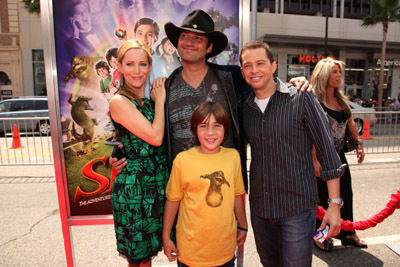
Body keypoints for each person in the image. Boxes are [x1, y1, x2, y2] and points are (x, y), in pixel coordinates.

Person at [110, 9, 310, 190]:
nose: (189, 42)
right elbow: (150, 132)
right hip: (183, 190)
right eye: (184, 36)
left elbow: (263, 83)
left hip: (225, 185)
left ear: (209, 47)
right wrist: (120, 154)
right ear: (177, 44)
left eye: (198, 39)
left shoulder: (232, 78)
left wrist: (293, 83)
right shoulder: (164, 88)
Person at [240, 40, 345, 266]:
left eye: (260, 63)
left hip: (296, 209)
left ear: (274, 66)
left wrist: (334, 205)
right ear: (242, 71)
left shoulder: (301, 97)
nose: (254, 70)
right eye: (248, 65)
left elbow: (328, 153)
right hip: (261, 210)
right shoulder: (244, 107)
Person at [162, 101, 247, 266]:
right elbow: (173, 200)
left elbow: (237, 194)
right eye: (203, 126)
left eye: (217, 125)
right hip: (190, 251)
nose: (210, 133)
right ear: (194, 129)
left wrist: (243, 226)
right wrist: (166, 237)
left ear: (225, 129)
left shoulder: (233, 157)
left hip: (225, 249)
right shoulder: (182, 160)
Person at [108, 39, 169, 267]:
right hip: (135, 190)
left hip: (158, 184)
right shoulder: (119, 101)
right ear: (120, 66)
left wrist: (157, 97)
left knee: (149, 256)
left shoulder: (148, 100)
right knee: (139, 260)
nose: (137, 71)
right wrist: (161, 100)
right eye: (130, 64)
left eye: (142, 64)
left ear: (150, 66)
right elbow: (155, 137)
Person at [311, 57, 367, 251]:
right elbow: (310, 132)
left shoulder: (341, 98)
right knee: (322, 199)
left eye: (339, 72)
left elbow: (350, 121)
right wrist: (314, 160)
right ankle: (320, 236)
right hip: (321, 158)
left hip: (339, 157)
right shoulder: (315, 100)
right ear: (324, 74)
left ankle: (348, 234)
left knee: (345, 195)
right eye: (334, 72)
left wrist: (359, 144)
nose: (338, 76)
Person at [133, 17, 168, 98]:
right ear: (134, 35)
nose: (144, 38)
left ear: (155, 37)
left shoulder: (160, 64)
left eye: (149, 34)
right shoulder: (128, 60)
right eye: (140, 34)